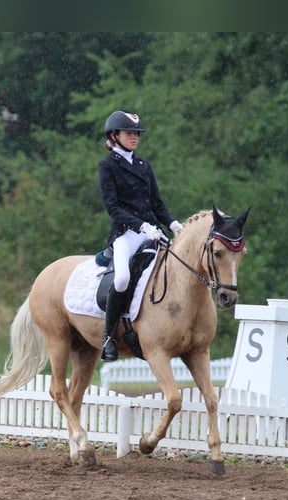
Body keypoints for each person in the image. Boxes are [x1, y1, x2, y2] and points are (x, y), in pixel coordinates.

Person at [98, 110, 183, 362]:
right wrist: (142, 226)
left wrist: (174, 224)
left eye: (136, 133)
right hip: (126, 234)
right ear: (114, 136)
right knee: (123, 278)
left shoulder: (144, 165)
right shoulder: (108, 166)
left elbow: (157, 204)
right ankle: (109, 336)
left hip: (153, 232)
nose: (134, 137)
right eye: (129, 133)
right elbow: (113, 208)